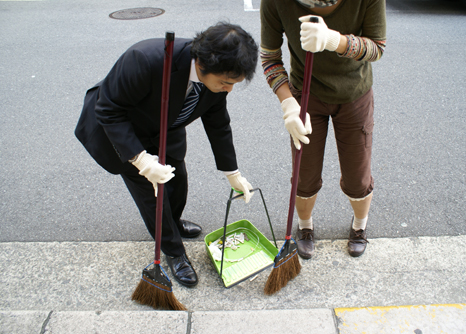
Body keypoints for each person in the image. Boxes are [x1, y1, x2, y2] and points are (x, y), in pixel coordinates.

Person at [75, 22, 258, 287]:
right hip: (124, 131)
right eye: (226, 83)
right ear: (204, 65)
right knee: (153, 193)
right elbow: (108, 109)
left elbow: (218, 123)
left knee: (178, 180)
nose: (228, 89)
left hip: (167, 125)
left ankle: (172, 223)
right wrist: (140, 159)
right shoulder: (145, 59)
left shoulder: (216, 81)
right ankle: (173, 251)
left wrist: (233, 173)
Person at [260, 0, 386, 259]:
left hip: (354, 94)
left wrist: (333, 40)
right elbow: (270, 57)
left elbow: (377, 47)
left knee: (357, 174)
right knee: (304, 174)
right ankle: (305, 226)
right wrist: (287, 104)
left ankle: (359, 226)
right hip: (304, 95)